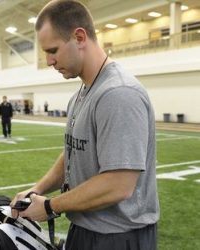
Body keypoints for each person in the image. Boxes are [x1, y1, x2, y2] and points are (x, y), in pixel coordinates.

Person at [11, 1, 159, 250]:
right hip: (86, 227)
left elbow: (118, 185)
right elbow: (74, 152)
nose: (48, 61)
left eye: (53, 50)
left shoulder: (118, 93)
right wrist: (37, 190)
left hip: (117, 236)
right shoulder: (83, 91)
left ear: (79, 37)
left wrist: (49, 206)